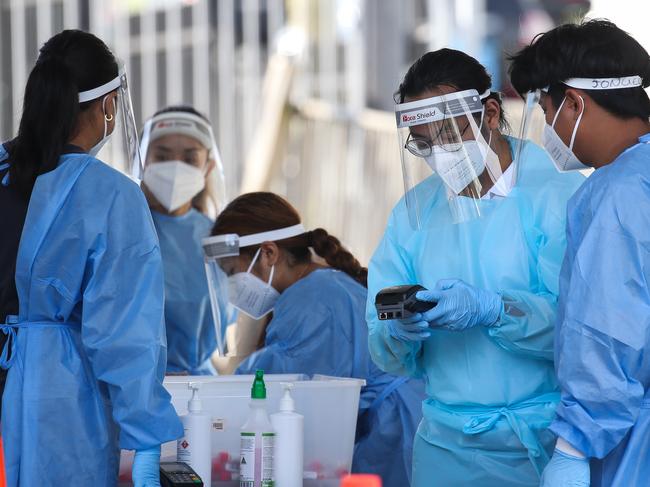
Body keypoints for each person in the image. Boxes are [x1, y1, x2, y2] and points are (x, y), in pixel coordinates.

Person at [366, 48, 585, 486]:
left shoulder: (555, 193)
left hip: (541, 442)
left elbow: (581, 328)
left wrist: (494, 309)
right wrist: (396, 331)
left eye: (447, 135)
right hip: (447, 447)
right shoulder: (416, 212)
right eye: (424, 144)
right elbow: (382, 329)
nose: (438, 154)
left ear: (488, 112)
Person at [0, 30, 182, 487]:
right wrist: (146, 440)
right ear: (107, 105)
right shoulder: (109, 196)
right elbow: (126, 335)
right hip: (55, 407)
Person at [509, 19, 650, 487]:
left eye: (549, 115)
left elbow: (608, 332)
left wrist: (573, 446)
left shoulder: (618, 194)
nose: (550, 130)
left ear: (573, 102)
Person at [202, 192, 425, 487]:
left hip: (393, 436)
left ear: (269, 253)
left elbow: (283, 387)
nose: (232, 286)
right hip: (390, 426)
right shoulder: (316, 287)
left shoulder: (316, 301)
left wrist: (209, 391)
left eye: (232, 272)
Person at [140, 105, 234, 375]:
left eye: (190, 159)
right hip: (134, 383)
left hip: (200, 385)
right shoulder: (121, 230)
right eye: (163, 156)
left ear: (209, 166)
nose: (176, 168)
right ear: (143, 160)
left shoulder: (218, 239)